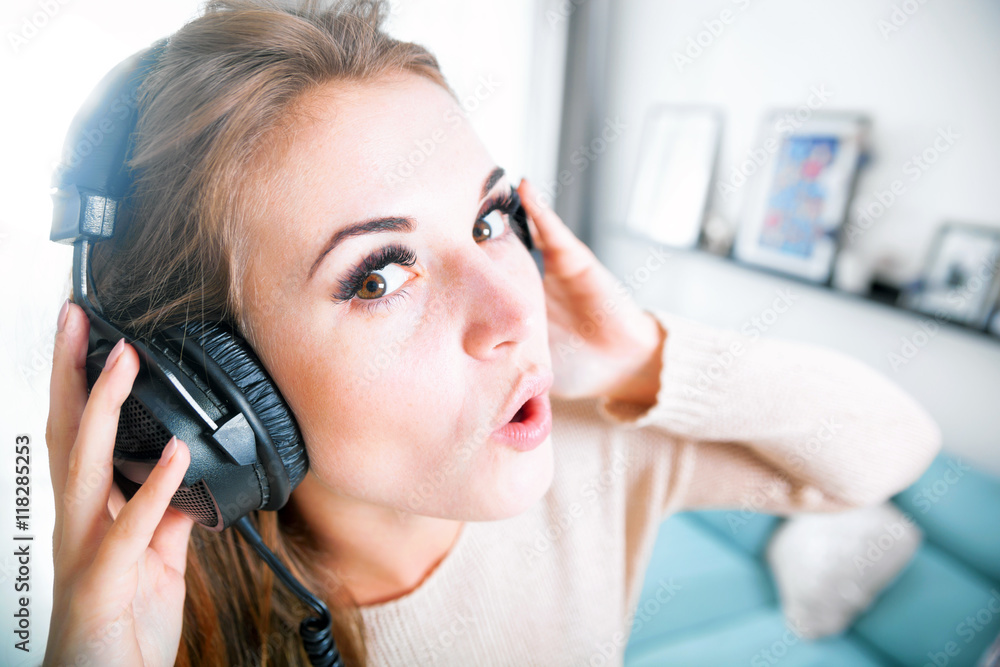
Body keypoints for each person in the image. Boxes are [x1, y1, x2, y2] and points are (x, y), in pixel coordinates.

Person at [42, 0, 944, 665]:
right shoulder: (160, 624)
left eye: (489, 219)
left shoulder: (593, 454)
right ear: (213, 389)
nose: (519, 314)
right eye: (380, 275)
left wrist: (649, 358)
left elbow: (893, 448)